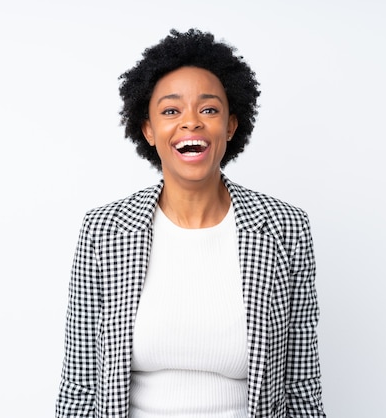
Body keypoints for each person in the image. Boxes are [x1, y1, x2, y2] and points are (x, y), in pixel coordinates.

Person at [56, 28, 326, 418]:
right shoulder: (104, 229)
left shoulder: (285, 228)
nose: (191, 123)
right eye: (170, 111)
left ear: (231, 126)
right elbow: (79, 384)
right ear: (148, 129)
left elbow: (301, 385)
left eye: (209, 109)